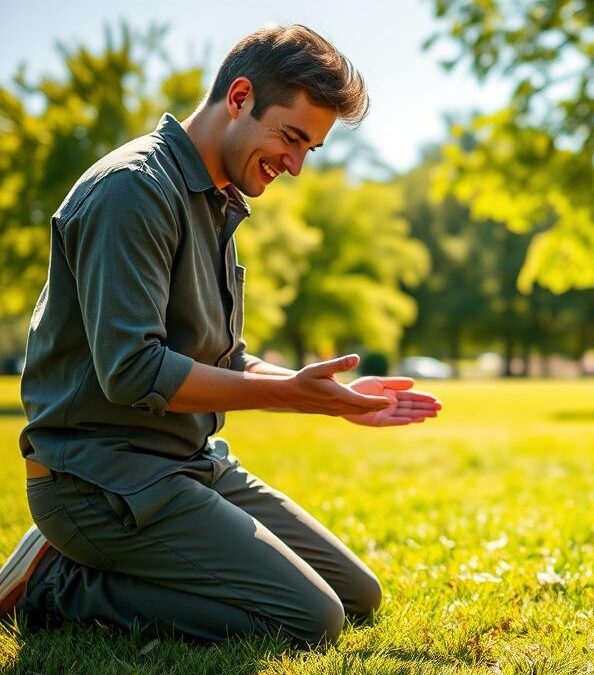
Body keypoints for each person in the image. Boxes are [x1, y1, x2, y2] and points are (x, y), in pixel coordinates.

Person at [0, 24, 441, 646]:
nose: (294, 165)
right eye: (291, 137)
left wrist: (323, 394)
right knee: (311, 620)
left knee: (356, 594)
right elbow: (133, 372)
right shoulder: (132, 190)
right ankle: (57, 584)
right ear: (239, 98)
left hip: (187, 463)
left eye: (309, 150)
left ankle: (110, 564)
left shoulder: (213, 198)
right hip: (101, 483)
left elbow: (223, 357)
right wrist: (286, 395)